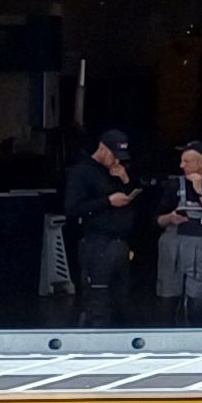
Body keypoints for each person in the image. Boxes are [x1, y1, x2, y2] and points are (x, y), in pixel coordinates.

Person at [64, 129, 141, 322]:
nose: (117, 161)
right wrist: (107, 201)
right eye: (114, 155)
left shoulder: (118, 171)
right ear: (103, 149)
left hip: (121, 242)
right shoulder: (82, 172)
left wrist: (126, 180)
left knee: (121, 300)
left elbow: (138, 201)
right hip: (96, 242)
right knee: (97, 300)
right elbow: (72, 208)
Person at [153, 141, 202, 324]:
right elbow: (156, 220)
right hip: (172, 255)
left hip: (199, 257)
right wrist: (170, 218)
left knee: (196, 303)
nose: (181, 165)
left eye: (186, 161)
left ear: (201, 163)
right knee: (167, 302)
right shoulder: (175, 185)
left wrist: (200, 191)